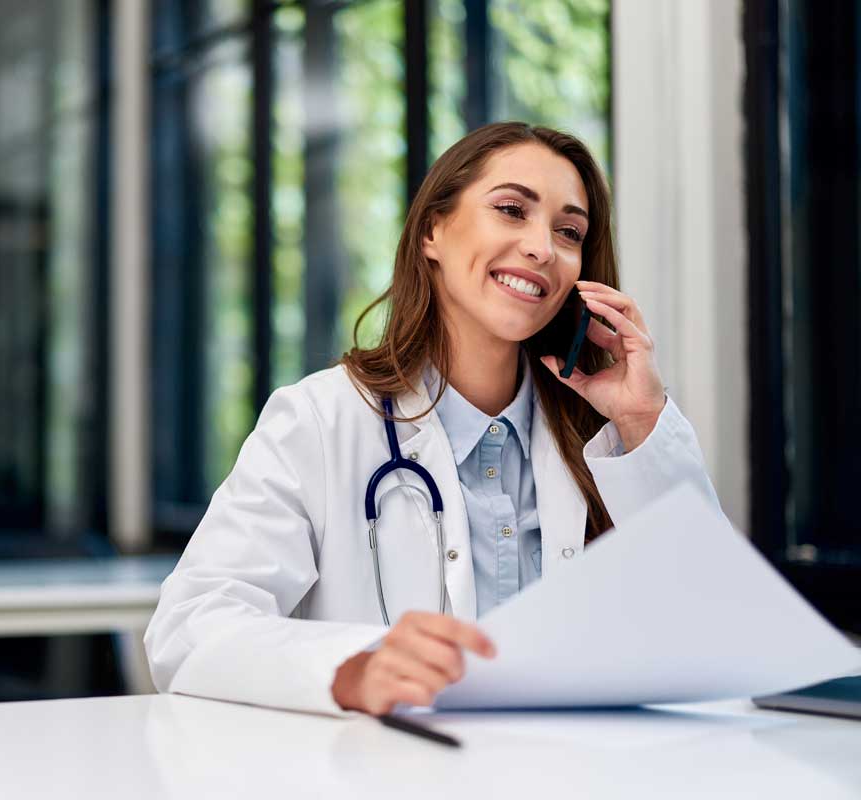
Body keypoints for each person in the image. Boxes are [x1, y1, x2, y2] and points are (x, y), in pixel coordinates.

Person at [144, 121, 721, 716]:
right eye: (511, 209)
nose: (542, 248)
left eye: (568, 231)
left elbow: (717, 627)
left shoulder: (607, 439)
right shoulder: (320, 421)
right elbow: (189, 629)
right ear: (431, 232)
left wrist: (643, 420)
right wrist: (351, 667)